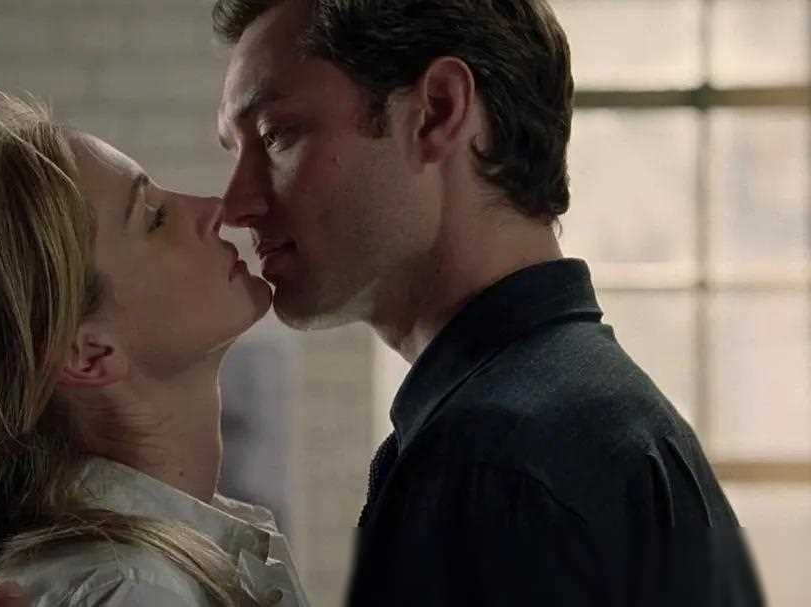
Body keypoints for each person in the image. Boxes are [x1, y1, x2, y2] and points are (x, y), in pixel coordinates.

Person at [209, 0, 764, 605]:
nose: (236, 205)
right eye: (234, 152)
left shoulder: (493, 462)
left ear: (437, 111)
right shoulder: (606, 416)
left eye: (277, 135)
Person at [0, 97, 308, 607]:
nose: (212, 209)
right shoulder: (135, 588)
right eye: (154, 219)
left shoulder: (143, 569)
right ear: (88, 353)